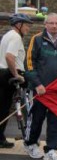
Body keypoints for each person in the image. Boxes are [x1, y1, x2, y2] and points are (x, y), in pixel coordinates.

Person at [23, 13, 57, 160]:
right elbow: (29, 64)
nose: (54, 26)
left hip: (56, 90)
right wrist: (37, 84)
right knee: (36, 118)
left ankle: (51, 149)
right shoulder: (37, 39)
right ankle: (30, 144)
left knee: (56, 120)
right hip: (40, 89)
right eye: (51, 23)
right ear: (45, 24)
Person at [0, 14, 32, 149]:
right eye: (26, 25)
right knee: (4, 108)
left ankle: (0, 138)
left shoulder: (8, 35)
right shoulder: (16, 37)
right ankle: (30, 134)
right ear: (19, 25)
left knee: (3, 107)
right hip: (9, 74)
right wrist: (16, 75)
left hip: (3, 73)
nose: (28, 28)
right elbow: (9, 56)